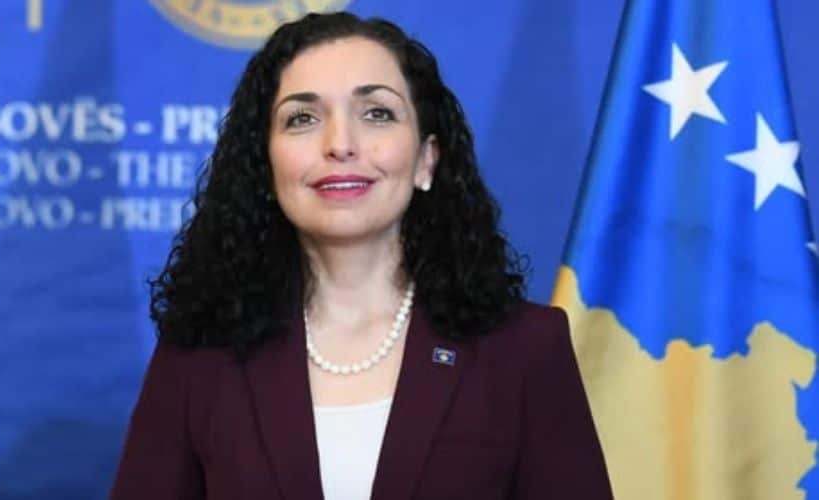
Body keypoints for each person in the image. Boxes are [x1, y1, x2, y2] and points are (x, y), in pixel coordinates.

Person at [109, 11, 612, 500]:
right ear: (266, 164)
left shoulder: (525, 348)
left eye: (376, 113)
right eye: (303, 118)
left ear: (426, 160)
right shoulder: (200, 353)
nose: (340, 144)